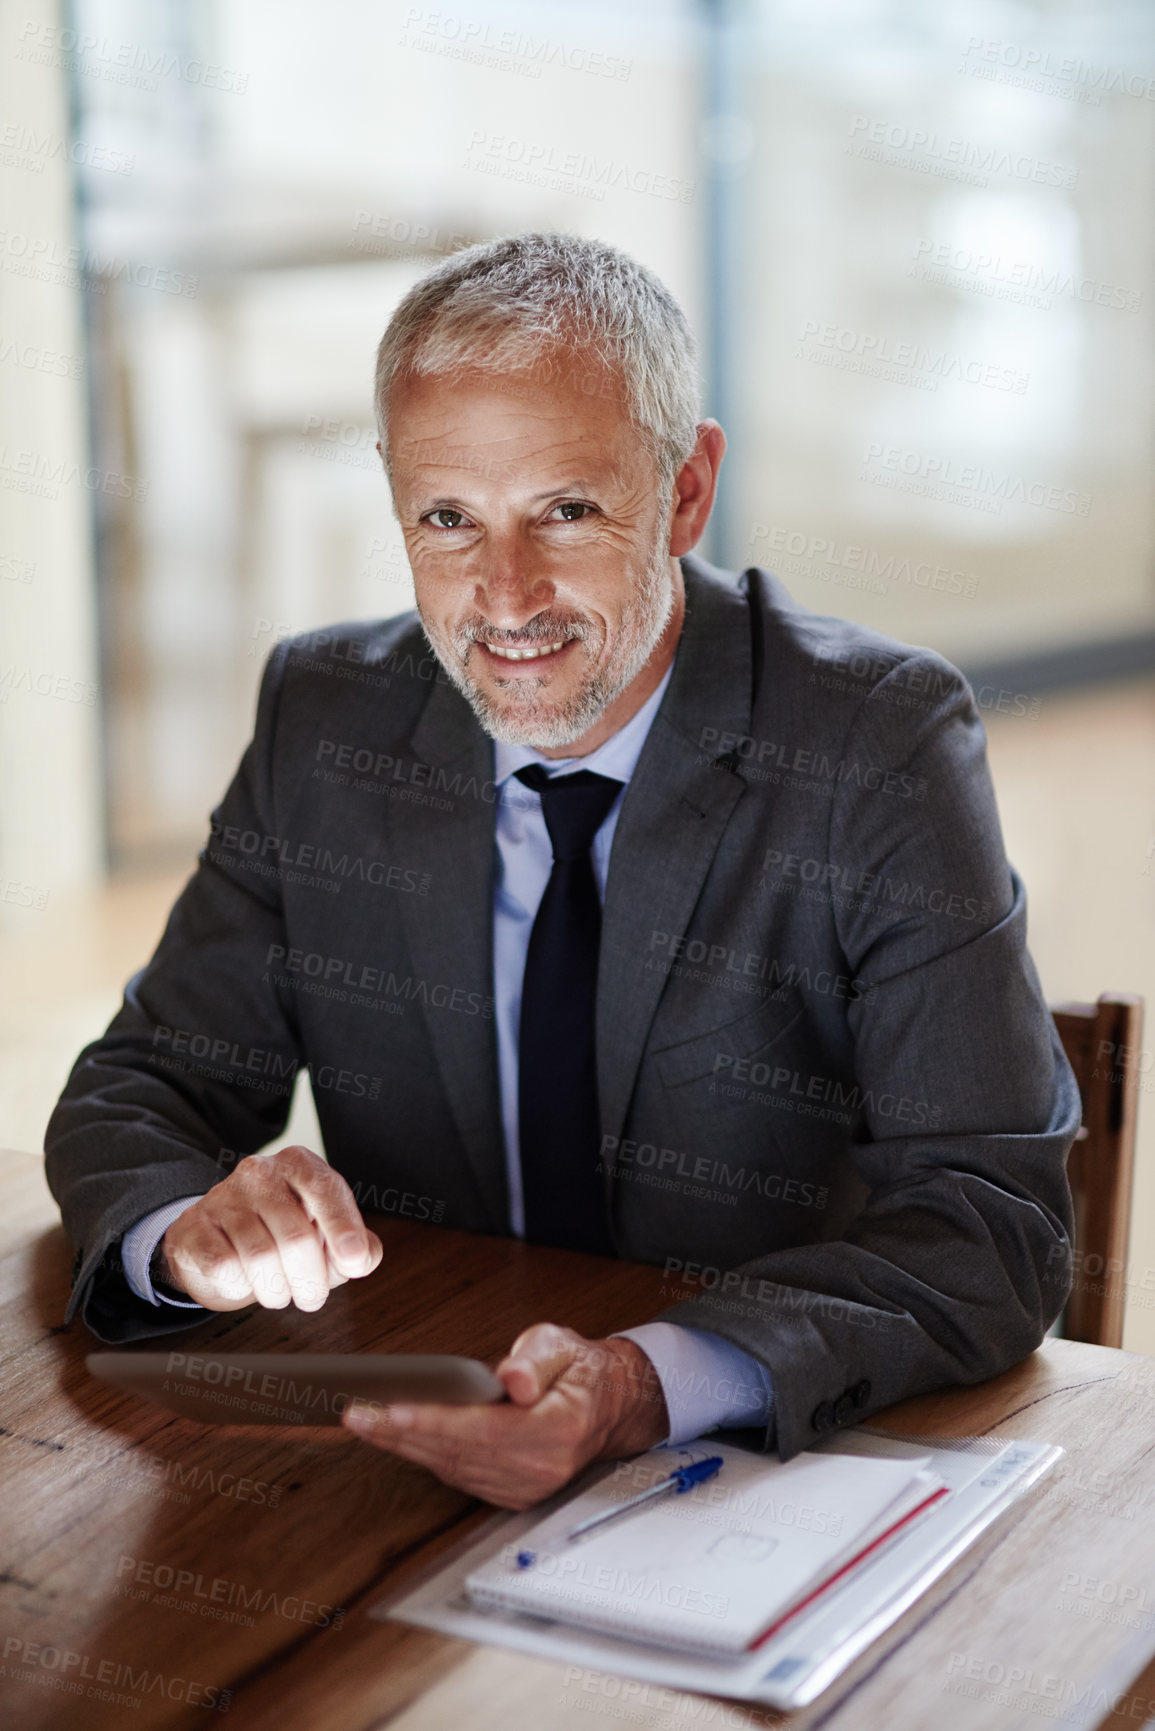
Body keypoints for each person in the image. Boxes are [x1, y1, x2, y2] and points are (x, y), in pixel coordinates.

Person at [45, 232, 1079, 1511]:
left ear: (688, 488)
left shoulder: (878, 746)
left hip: (765, 1483)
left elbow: (990, 1224)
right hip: (417, 1461)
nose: (506, 595)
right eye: (447, 520)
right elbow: (142, 1089)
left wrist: (646, 1384)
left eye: (568, 510)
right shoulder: (329, 717)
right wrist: (186, 1239)